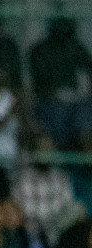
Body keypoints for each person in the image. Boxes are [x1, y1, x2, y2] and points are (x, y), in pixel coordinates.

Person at [28, 17, 92, 152]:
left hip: (74, 102)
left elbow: (88, 69)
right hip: (49, 102)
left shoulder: (75, 46)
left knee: (85, 123)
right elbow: (36, 84)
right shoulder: (40, 49)